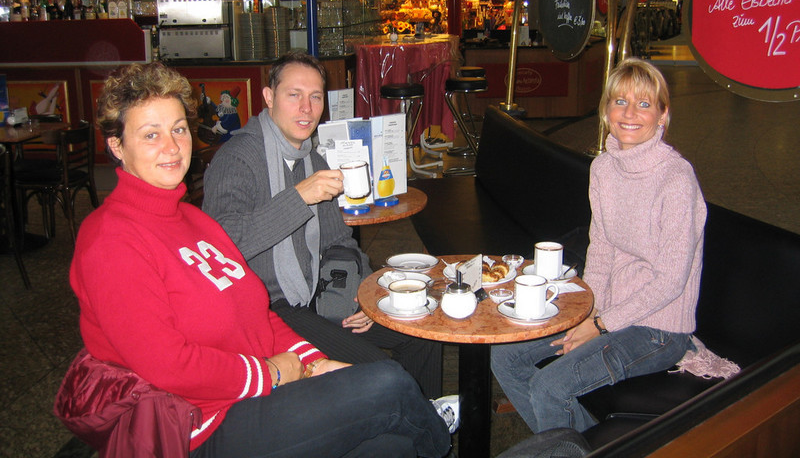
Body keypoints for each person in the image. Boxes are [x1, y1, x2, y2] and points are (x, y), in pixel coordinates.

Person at [64, 62, 455, 457]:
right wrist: (270, 373)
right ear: (117, 146)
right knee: (386, 382)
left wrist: (314, 361)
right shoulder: (110, 240)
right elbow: (167, 365)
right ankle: (436, 426)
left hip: (259, 376)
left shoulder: (191, 220)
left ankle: (425, 420)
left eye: (178, 129)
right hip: (198, 422)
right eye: (151, 134)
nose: (171, 146)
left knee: (392, 444)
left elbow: (257, 309)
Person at [203, 51, 443, 399]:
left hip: (317, 294)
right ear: (269, 97)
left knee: (422, 335)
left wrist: (363, 294)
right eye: (294, 95)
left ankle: (432, 422)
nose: (306, 108)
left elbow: (339, 242)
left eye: (315, 97)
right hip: (267, 309)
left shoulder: (312, 159)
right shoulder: (237, 158)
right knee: (382, 372)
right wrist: (299, 197)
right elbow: (220, 246)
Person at [491, 58, 708, 434]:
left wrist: (601, 325)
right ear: (606, 111)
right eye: (620, 101)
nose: (629, 113)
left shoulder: (676, 179)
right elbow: (603, 248)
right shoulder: (605, 168)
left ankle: (569, 446)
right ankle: (584, 442)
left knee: (549, 387)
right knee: (505, 356)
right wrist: (586, 311)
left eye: (643, 104)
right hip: (608, 310)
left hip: (658, 328)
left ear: (662, 115)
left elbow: (672, 281)